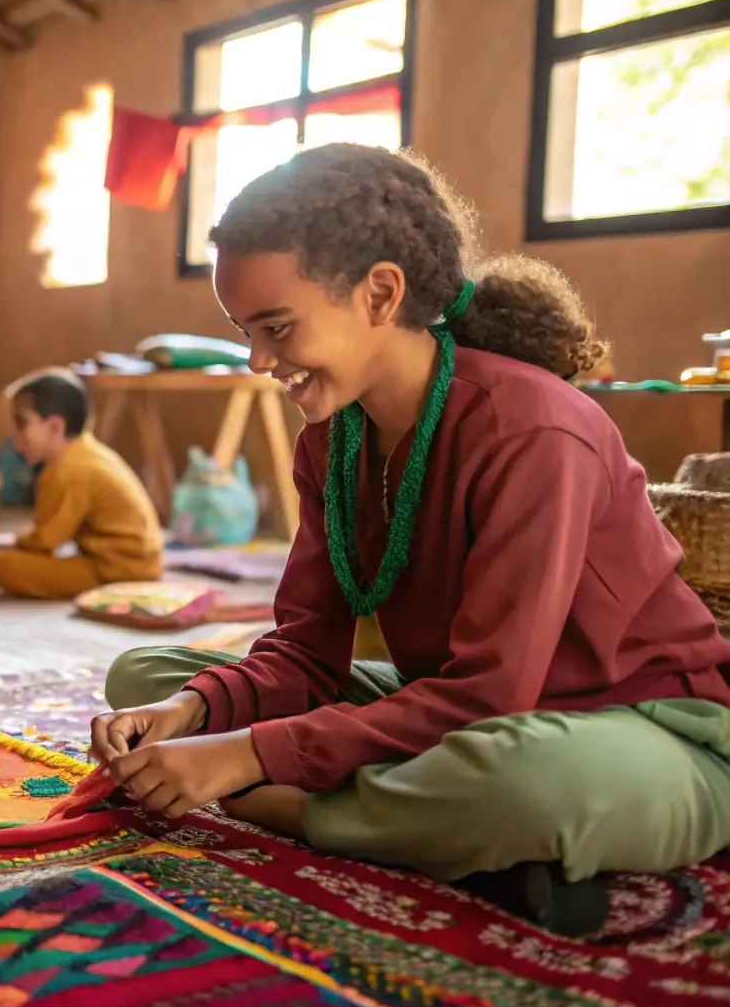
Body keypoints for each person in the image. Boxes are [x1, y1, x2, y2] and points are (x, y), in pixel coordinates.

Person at [90, 144, 730, 936]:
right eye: (243, 332)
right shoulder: (333, 441)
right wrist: (195, 711)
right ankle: (449, 839)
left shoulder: (533, 429)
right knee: (146, 677)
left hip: (641, 731)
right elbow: (304, 654)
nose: (258, 360)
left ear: (379, 293)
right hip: (461, 712)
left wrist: (248, 758)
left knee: (520, 785)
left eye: (276, 327)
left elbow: (491, 696)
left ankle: (299, 810)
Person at [0, 371, 163, 599]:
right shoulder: (85, 451)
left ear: (55, 427)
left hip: (117, 571)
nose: (14, 435)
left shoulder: (69, 471)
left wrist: (5, 546)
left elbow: (45, 542)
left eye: (21, 423)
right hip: (129, 562)